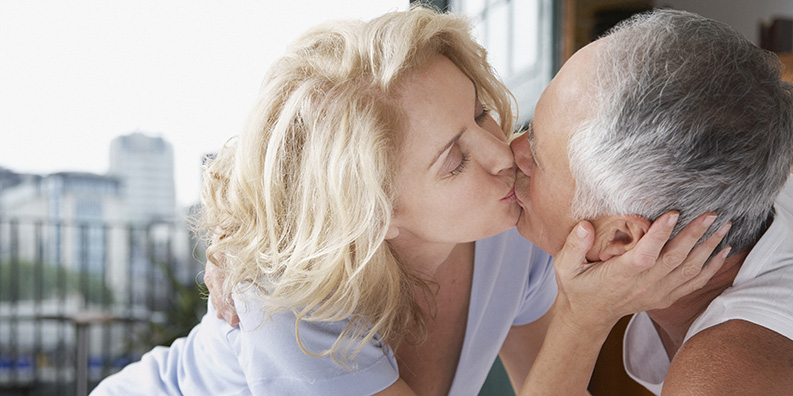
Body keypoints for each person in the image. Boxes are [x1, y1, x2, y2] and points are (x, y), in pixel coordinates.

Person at [92, 7, 728, 396]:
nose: (503, 152)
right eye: (454, 159)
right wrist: (586, 319)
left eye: (482, 114)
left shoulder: (506, 229)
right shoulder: (296, 318)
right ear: (373, 212)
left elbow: (552, 386)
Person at [509, 9, 793, 395]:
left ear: (621, 241)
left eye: (537, 158)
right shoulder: (752, 174)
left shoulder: (721, 379)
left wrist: (580, 320)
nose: (512, 151)